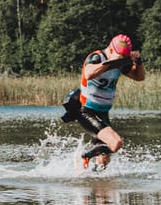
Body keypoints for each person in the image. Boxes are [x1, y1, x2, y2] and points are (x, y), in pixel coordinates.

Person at [61, 33, 146, 170]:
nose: (122, 59)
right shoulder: (96, 57)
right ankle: (85, 156)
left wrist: (138, 61)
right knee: (116, 143)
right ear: (111, 50)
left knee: (104, 161)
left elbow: (139, 77)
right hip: (86, 110)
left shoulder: (121, 62)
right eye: (120, 56)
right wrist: (110, 63)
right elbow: (88, 74)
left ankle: (96, 184)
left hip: (103, 112)